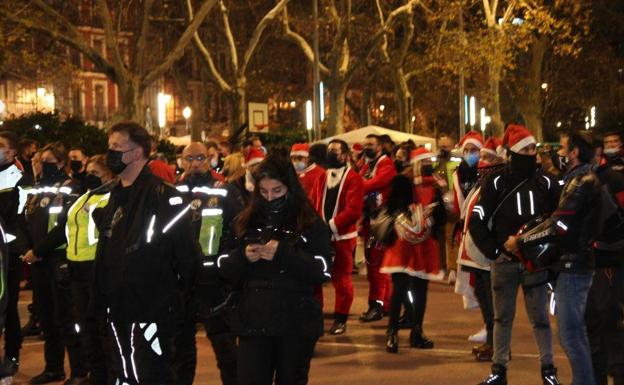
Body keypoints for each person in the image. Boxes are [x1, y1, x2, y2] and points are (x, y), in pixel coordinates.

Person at [91, 121, 199, 384]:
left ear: (137, 152)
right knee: (123, 374)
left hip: (153, 312)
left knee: (153, 374)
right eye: (109, 147)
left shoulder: (164, 197)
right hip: (117, 310)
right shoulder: (113, 197)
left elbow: (187, 258)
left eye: (117, 147)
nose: (111, 153)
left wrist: (180, 308)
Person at [218, 149, 333, 385]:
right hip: (253, 321)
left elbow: (323, 269)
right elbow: (223, 264)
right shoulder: (244, 220)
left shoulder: (309, 222)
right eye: (264, 192)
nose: (270, 197)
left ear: (290, 188)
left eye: (277, 191)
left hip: (295, 320)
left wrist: (283, 254)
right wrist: (243, 257)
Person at [470, 125, 561, 385]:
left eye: (534, 149)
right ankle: (499, 371)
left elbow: (558, 221)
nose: (533, 153)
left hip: (536, 264)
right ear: (515, 152)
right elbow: (477, 220)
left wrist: (545, 252)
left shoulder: (546, 181)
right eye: (527, 149)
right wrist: (496, 250)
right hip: (505, 263)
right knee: (502, 319)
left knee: (541, 319)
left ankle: (548, 372)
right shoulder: (496, 181)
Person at [515, 130, 606, 385]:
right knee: (575, 334)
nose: (560, 154)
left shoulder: (581, 182)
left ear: (575, 152)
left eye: (564, 149)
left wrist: (521, 241)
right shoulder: (578, 180)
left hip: (574, 266)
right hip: (574, 264)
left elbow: (559, 225)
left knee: (570, 334)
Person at [25, 154, 115, 385]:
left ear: (109, 175)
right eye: (89, 172)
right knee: (85, 327)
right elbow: (62, 227)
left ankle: (102, 375)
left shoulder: (112, 198)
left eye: (97, 173)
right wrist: (38, 250)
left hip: (98, 269)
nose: (91, 177)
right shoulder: (83, 198)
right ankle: (91, 375)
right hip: (76, 268)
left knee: (100, 328)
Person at [174, 142, 243, 385]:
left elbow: (239, 229)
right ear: (182, 161)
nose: (194, 164)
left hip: (213, 281)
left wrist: (226, 264)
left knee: (225, 347)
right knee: (180, 347)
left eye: (201, 158)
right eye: (189, 158)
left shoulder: (224, 190)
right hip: (182, 281)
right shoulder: (173, 192)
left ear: (210, 159)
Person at [23, 141, 88, 385]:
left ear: (61, 163)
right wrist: (29, 249)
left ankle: (80, 371)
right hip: (39, 261)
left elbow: (64, 226)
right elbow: (26, 222)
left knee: (67, 319)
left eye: (49, 162)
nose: (43, 166)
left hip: (59, 260)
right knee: (47, 318)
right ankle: (53, 368)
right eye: (40, 161)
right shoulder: (38, 188)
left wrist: (38, 250)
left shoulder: (71, 188)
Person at [380, 147, 446, 353]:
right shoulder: (402, 182)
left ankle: (417, 330)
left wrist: (432, 215)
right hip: (402, 242)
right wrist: (409, 215)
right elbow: (391, 208)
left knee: (421, 290)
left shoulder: (436, 186)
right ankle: (392, 331)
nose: (427, 166)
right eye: (423, 162)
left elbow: (442, 218)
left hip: (425, 244)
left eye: (429, 162)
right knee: (399, 288)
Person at [454, 137, 505, 362]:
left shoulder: (497, 184)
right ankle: (492, 342)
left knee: (492, 303)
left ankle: (498, 346)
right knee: (483, 299)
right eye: (481, 157)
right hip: (475, 253)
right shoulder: (481, 181)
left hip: (485, 253)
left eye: (486, 157)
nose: (481, 161)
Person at [310, 139, 364, 335]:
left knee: (341, 280)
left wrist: (330, 226)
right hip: (321, 237)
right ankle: (316, 316)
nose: (331, 154)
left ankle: (340, 319)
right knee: (316, 278)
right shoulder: (322, 178)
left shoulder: (353, 179)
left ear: (344, 155)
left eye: (335, 151)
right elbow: (314, 204)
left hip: (342, 237)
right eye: (329, 150)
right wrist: (316, 228)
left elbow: (353, 210)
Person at [585, 132, 624, 385]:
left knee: (609, 322)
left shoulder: (612, 180)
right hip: (590, 262)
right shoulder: (583, 179)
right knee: (593, 324)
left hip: (609, 260)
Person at [0, 131, 31, 377]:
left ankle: (11, 355)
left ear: (12, 152)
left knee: (8, 306)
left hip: (9, 252)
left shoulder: (18, 177)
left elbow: (16, 217)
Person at [359, 134, 397, 322]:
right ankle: (383, 304)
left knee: (377, 267)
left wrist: (360, 186)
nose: (367, 147)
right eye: (365, 144)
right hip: (370, 221)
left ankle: (378, 305)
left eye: (371, 144)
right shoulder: (367, 165)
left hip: (381, 222)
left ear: (380, 147)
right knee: (373, 265)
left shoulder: (386, 165)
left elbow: (375, 183)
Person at [449, 131, 484, 286]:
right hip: (463, 223)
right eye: (467, 150)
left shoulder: (484, 173)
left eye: (474, 150)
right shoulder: (458, 173)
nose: (470, 154)